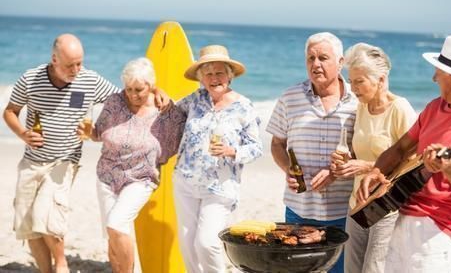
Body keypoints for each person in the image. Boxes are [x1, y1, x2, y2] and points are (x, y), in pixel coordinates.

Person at [2, 34, 170, 273]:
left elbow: (126, 95)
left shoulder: (88, 80)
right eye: (70, 65)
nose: (76, 69)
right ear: (54, 59)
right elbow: (10, 111)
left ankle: (61, 266)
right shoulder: (31, 79)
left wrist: (155, 89)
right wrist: (22, 133)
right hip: (31, 160)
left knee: (47, 216)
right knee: (28, 223)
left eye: (79, 63)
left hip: (65, 158)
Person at [358, 35, 451, 273]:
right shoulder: (435, 106)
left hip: (440, 230)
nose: (434, 77)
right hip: (403, 215)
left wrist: (450, 167)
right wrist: (376, 171)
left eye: (439, 72)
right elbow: (401, 149)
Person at [76, 57, 185, 272]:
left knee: (116, 224)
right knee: (113, 234)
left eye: (138, 89)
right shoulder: (115, 102)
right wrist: (90, 134)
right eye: (128, 89)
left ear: (151, 86)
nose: (133, 95)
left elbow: (184, 139)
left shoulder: (166, 111)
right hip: (107, 176)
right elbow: (99, 134)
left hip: (141, 178)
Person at [266, 32, 358, 273]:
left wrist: (335, 172)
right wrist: (288, 169)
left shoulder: (359, 102)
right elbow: (277, 144)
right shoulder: (290, 97)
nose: (315, 64)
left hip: (343, 211)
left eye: (323, 58)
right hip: (299, 209)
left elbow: (365, 152)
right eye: (310, 58)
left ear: (340, 63)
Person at [173, 45, 262, 272]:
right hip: (186, 182)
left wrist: (232, 151)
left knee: (207, 243)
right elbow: (169, 114)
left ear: (229, 76)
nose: (214, 78)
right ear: (201, 78)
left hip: (220, 187)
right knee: (187, 243)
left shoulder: (244, 106)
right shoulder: (194, 100)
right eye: (208, 74)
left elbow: (256, 148)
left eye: (219, 73)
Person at [330, 43, 416, 273]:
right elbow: (364, 152)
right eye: (351, 81)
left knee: (373, 269)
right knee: (352, 269)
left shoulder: (400, 108)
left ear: (381, 78)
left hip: (386, 206)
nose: (353, 88)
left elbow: (414, 161)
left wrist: (367, 166)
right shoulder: (362, 108)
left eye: (360, 81)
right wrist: (348, 161)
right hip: (357, 203)